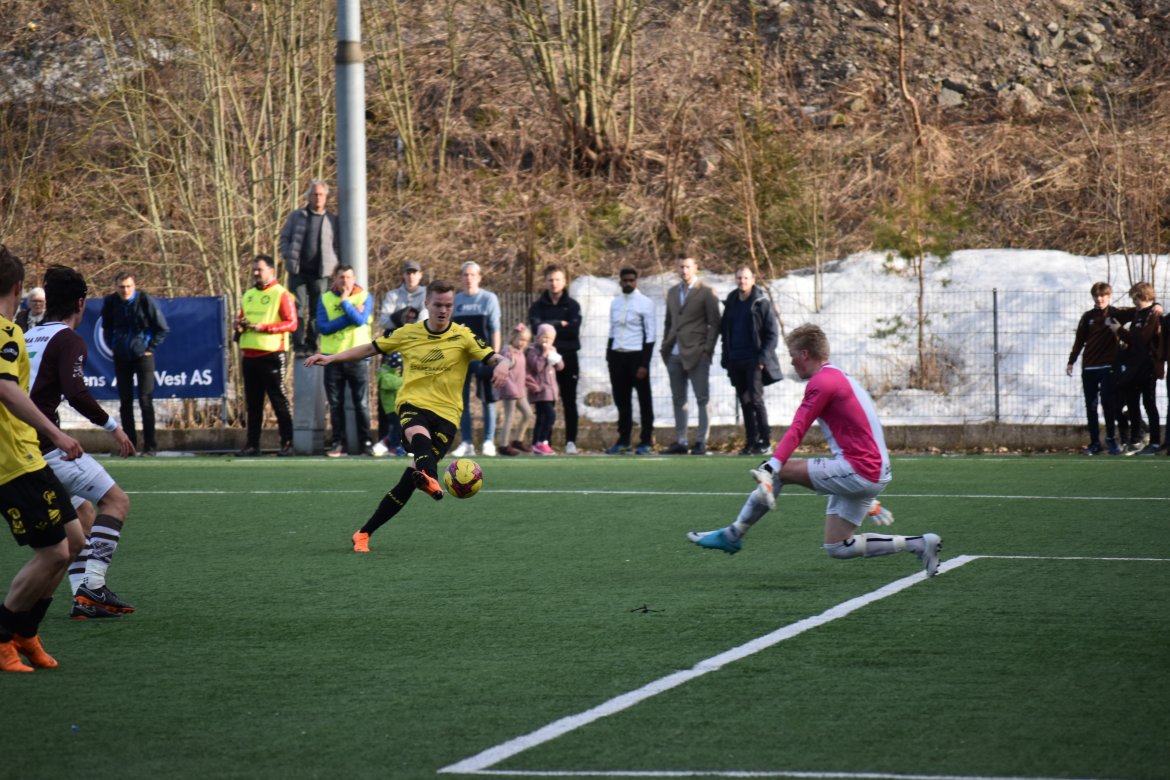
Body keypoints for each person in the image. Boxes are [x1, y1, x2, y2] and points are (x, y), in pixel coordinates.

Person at [687, 324, 941, 577]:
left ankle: (733, 534)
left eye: (792, 355)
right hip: (872, 471)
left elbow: (799, 427)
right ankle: (919, 544)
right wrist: (867, 490)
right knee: (838, 546)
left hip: (861, 471)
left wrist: (771, 466)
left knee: (780, 472)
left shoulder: (822, 382)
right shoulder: (840, 377)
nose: (792, 362)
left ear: (805, 354)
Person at [304, 279, 511, 553]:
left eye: (448, 305)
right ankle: (432, 479)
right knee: (417, 435)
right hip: (412, 404)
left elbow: (497, 357)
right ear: (426, 304)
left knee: (408, 482)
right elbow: (369, 348)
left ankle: (363, 533)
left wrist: (505, 364)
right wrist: (332, 358)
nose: (443, 310)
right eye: (438, 304)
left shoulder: (463, 336)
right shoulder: (408, 333)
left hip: (448, 415)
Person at [27, 265, 138, 619]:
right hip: (45, 447)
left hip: (21, 449)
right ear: (80, 303)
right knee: (116, 502)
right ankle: (94, 584)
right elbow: (76, 392)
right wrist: (114, 427)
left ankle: (83, 599)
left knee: (83, 514)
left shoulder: (28, 335)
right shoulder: (68, 339)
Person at [0, 245, 86, 672]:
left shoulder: (13, 332)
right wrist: (55, 432)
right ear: (18, 288)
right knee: (53, 552)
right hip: (11, 460)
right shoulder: (4, 332)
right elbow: (5, 388)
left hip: (28, 454)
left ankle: (25, 633)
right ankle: (4, 637)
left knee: (74, 541)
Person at [234, 254, 297, 457]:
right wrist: (239, 326)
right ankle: (253, 445)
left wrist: (266, 328)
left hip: (272, 354)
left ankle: (287, 443)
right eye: (254, 269)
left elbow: (291, 323)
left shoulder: (281, 294)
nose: (255, 273)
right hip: (249, 354)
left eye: (259, 269)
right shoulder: (248, 294)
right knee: (253, 405)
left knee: (279, 401)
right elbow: (241, 318)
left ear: (271, 270)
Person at [100, 271, 169, 456]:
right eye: (121, 287)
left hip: (143, 356)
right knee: (125, 402)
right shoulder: (110, 302)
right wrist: (113, 346)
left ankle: (150, 446)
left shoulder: (145, 300)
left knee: (146, 400)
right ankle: (129, 446)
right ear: (116, 287)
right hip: (121, 357)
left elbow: (162, 328)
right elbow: (106, 327)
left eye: (129, 286)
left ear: (134, 286)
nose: (125, 290)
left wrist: (150, 347)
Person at [661, 253, 720, 455]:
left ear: (695, 267)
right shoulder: (671, 292)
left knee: (702, 398)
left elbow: (715, 323)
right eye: (680, 267)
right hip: (674, 354)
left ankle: (701, 441)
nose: (684, 270)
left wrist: (707, 349)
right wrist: (666, 347)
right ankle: (681, 441)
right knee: (679, 399)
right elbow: (669, 322)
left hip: (697, 352)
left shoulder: (706, 292)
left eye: (687, 266)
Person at [720, 266, 782, 455]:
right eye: (739, 278)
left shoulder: (760, 302)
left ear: (753, 280)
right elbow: (725, 332)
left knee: (756, 400)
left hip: (754, 360)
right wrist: (726, 357)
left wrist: (762, 358)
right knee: (744, 401)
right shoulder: (731, 301)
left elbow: (772, 334)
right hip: (735, 359)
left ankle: (765, 440)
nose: (742, 281)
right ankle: (751, 441)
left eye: (746, 278)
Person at [317, 265, 374, 457]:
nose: (346, 281)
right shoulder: (325, 298)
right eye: (341, 277)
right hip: (332, 358)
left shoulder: (364, 296)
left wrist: (346, 305)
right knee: (335, 403)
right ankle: (337, 444)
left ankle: (366, 443)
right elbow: (324, 327)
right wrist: (348, 310)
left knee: (362, 403)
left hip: (358, 356)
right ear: (335, 279)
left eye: (349, 277)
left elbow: (361, 320)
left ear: (354, 278)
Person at [280, 179, 340, 356]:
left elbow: (337, 245)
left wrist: (333, 263)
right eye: (314, 194)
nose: (318, 197)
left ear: (326, 197)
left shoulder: (331, 220)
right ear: (309, 196)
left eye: (321, 194)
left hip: (321, 274)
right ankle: (298, 346)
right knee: (296, 309)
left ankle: (311, 345)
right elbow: (285, 238)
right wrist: (287, 254)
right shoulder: (296, 216)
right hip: (298, 271)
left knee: (317, 311)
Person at [528, 264, 583, 454]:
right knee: (545, 403)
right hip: (543, 363)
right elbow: (536, 329)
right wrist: (560, 323)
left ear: (564, 281)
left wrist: (549, 327)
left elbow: (573, 331)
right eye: (550, 279)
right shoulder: (537, 306)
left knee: (569, 401)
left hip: (567, 358)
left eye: (558, 279)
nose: (554, 283)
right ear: (545, 281)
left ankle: (570, 441)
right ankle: (544, 441)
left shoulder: (573, 305)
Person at [1066, 281, 1122, 456]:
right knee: (1091, 405)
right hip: (1089, 367)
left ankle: (1112, 440)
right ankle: (1094, 443)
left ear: (1109, 296)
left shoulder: (1116, 314)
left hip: (1108, 366)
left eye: (1103, 295)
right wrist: (1071, 361)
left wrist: (1156, 306)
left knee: (1107, 402)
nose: (1099, 299)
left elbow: (1139, 311)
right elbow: (1079, 340)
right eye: (1096, 296)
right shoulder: (1087, 317)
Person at [452, 261, 502, 457]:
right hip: (462, 359)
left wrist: (495, 358)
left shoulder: (489, 299)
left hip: (484, 358)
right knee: (461, 402)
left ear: (479, 277)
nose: (468, 278)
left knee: (488, 399)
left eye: (472, 275)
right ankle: (467, 442)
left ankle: (489, 441)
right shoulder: (456, 301)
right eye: (465, 275)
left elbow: (495, 329)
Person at [605, 267, 656, 455]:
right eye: (625, 280)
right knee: (621, 400)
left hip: (637, 355)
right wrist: (609, 356)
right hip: (618, 356)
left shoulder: (645, 303)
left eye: (631, 280)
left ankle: (646, 440)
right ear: (620, 281)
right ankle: (624, 439)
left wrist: (644, 363)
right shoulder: (615, 303)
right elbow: (612, 330)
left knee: (644, 400)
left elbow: (650, 335)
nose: (628, 283)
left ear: (636, 281)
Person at [1113, 282, 1161, 455]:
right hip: (1134, 365)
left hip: (1148, 365)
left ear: (1144, 296)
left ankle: (1155, 441)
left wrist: (1119, 331)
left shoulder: (1154, 314)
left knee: (1149, 403)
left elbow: (1141, 339)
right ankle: (1136, 439)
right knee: (1132, 401)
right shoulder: (1138, 314)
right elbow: (1134, 339)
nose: (1134, 303)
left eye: (1135, 298)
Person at [526, 323, 563, 455]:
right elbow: (536, 367)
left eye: (550, 338)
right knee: (550, 415)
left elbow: (560, 367)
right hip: (540, 391)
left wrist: (556, 358)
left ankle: (536, 444)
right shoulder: (533, 351)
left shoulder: (553, 349)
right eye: (544, 337)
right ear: (538, 337)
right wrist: (544, 354)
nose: (546, 341)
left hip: (551, 391)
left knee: (541, 418)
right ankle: (542, 441)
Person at [498, 324, 534, 456]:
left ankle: (518, 441)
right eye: (520, 339)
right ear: (513, 337)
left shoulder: (521, 352)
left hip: (520, 391)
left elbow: (522, 372)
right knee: (510, 417)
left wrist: (530, 383)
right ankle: (503, 445)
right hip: (510, 390)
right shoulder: (507, 351)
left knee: (528, 414)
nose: (523, 343)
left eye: (526, 340)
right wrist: (509, 358)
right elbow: (505, 367)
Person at [378, 260, 427, 336]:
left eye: (414, 273)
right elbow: (384, 322)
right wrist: (403, 319)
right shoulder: (392, 295)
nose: (411, 276)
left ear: (420, 275)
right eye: (408, 273)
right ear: (403, 275)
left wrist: (400, 321)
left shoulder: (427, 294)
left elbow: (425, 319)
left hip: (420, 338)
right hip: (397, 340)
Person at [371, 352, 406, 457]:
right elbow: (394, 384)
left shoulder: (392, 374)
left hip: (397, 407)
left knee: (398, 428)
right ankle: (393, 447)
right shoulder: (385, 376)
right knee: (396, 428)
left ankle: (389, 443)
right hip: (391, 408)